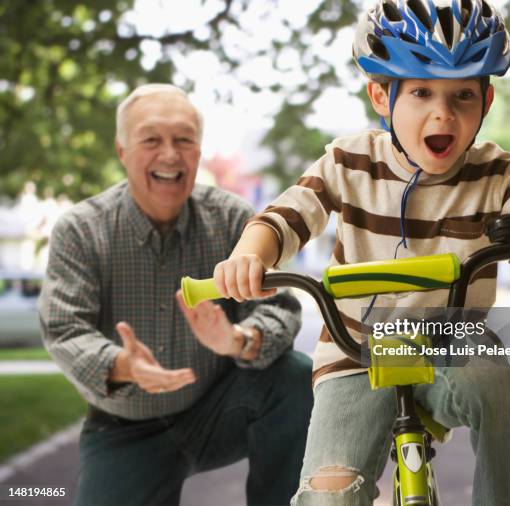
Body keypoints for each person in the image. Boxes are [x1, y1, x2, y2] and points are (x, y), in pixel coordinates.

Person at [212, 1, 510, 505]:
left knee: (501, 393)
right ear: (380, 95)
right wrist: (250, 255)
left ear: (487, 100)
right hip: (358, 352)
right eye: (420, 92)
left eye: (463, 95)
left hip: (453, 344)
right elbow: (285, 216)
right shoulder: (349, 162)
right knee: (329, 491)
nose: (444, 112)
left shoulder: (498, 172)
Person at [38, 83, 313, 506]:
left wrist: (238, 340)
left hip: (220, 408)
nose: (170, 154)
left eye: (184, 139)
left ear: (198, 152)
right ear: (122, 151)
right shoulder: (80, 230)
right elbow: (64, 329)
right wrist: (120, 364)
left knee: (294, 376)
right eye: (151, 139)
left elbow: (280, 307)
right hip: (126, 426)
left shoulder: (233, 218)